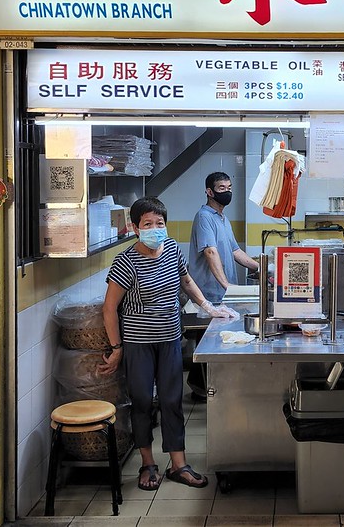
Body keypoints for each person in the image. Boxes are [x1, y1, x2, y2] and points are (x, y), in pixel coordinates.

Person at [97, 196, 234, 492]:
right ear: (135, 227)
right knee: (144, 402)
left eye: (160, 223)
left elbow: (186, 281)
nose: (155, 229)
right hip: (138, 344)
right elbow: (109, 308)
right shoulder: (126, 260)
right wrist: (117, 348)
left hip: (170, 338)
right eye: (148, 224)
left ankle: (178, 464)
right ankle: (148, 463)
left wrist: (209, 307)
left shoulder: (172, 249)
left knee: (172, 401)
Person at [186, 172, 260, 399]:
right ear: (209, 192)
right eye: (221, 188)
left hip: (224, 293)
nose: (226, 192)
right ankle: (200, 389)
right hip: (209, 293)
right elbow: (210, 251)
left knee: (220, 342)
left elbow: (235, 251)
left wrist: (261, 268)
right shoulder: (204, 217)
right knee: (208, 343)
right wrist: (226, 285)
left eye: (229, 187)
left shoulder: (222, 219)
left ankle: (206, 387)